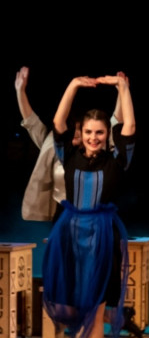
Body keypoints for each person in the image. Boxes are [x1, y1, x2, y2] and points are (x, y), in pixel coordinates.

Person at [42, 74, 136, 338]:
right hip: (70, 235)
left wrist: (123, 88)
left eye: (100, 132)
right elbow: (58, 122)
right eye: (89, 132)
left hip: (102, 239)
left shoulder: (116, 161)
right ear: (80, 134)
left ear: (107, 134)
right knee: (68, 309)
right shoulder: (69, 155)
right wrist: (72, 85)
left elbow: (129, 126)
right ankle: (106, 321)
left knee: (95, 311)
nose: (94, 138)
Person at [15, 66, 125, 222]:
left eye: (82, 131)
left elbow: (115, 123)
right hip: (64, 212)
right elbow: (31, 122)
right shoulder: (55, 146)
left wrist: (122, 91)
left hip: (95, 215)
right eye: (73, 129)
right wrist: (20, 91)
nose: (76, 134)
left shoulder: (98, 150)